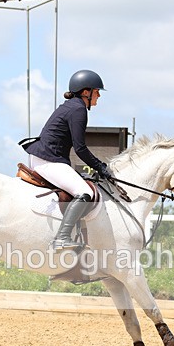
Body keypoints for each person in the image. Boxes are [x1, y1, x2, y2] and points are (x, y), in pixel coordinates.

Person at [20, 69, 114, 251]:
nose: (99, 96)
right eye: (97, 92)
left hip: (46, 158)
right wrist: (100, 167)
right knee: (84, 192)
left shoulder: (71, 106)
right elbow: (80, 148)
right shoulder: (78, 109)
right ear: (86, 92)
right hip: (47, 160)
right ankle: (62, 238)